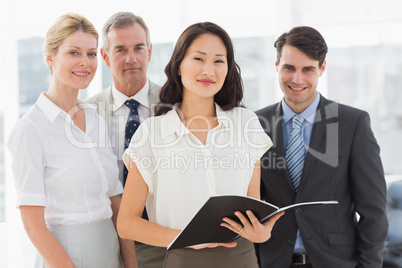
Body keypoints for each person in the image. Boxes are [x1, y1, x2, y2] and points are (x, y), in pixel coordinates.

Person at [116, 21, 283, 268]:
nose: (209, 70)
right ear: (179, 66)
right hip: (182, 258)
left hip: (242, 258)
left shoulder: (245, 123)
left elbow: (253, 206)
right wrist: (186, 238)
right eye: (199, 59)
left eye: (218, 61)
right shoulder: (152, 133)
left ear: (228, 69)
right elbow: (126, 224)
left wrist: (262, 233)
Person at [7, 13, 135, 267]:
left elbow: (115, 200)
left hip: (111, 251)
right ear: (50, 58)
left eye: (90, 54)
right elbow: (33, 225)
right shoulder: (30, 129)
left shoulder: (95, 118)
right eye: (74, 53)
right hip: (65, 256)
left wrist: (131, 263)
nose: (85, 62)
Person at [255, 26, 388, 268]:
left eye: (307, 69)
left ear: (322, 68)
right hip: (273, 261)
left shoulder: (352, 124)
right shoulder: (255, 124)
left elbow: (374, 211)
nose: (297, 79)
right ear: (277, 66)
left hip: (335, 262)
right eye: (289, 68)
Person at [86, 11, 163, 267]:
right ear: (105, 56)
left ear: (149, 52)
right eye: (120, 50)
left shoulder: (176, 106)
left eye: (138, 48)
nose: (131, 59)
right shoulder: (85, 113)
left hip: (162, 237)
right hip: (105, 238)